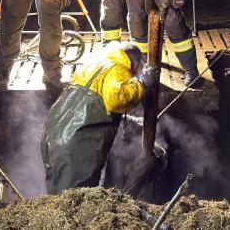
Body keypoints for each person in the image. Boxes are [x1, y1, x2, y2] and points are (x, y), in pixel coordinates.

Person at [40, 42, 157, 193]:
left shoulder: (95, 66)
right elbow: (116, 99)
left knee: (57, 192)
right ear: (134, 65)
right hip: (76, 145)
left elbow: (91, 106)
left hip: (53, 136)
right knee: (75, 198)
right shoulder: (118, 69)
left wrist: (132, 122)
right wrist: (141, 83)